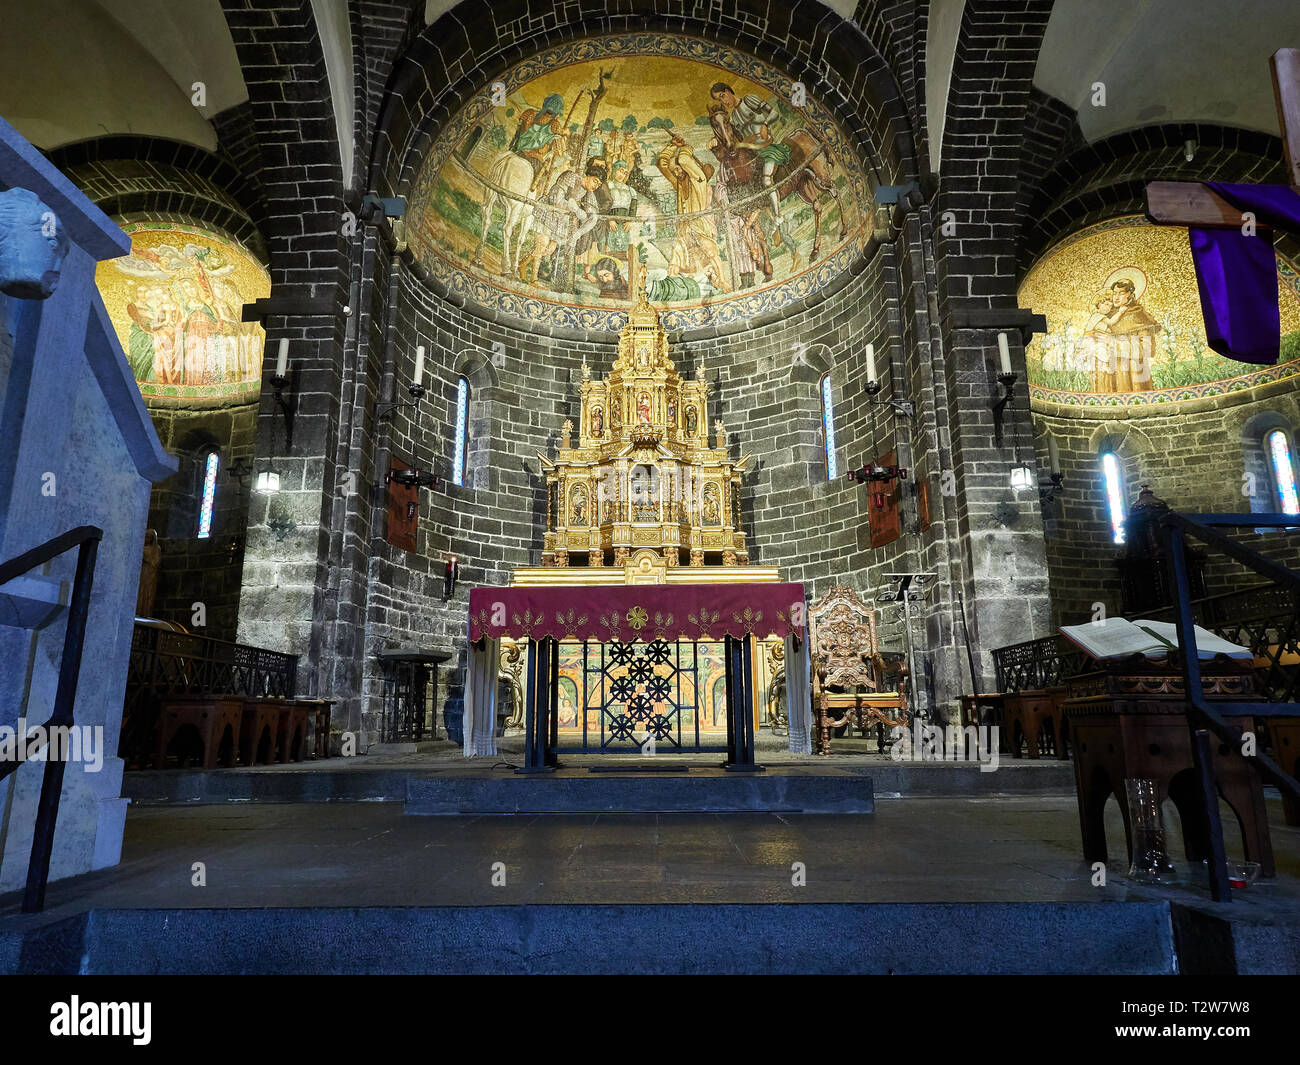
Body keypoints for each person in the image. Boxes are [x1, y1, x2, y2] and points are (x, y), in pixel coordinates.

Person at [655, 133, 729, 293]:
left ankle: (722, 280)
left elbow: (683, 160)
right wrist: (672, 145)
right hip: (683, 225)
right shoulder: (679, 184)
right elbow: (662, 164)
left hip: (699, 223)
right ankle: (673, 288)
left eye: (678, 170)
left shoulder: (699, 181)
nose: (676, 173)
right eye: (674, 171)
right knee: (676, 258)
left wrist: (685, 148)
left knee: (710, 251)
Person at [709, 83, 791, 224]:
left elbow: (774, 113)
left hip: (767, 148)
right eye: (719, 100)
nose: (723, 101)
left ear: (728, 91)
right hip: (754, 153)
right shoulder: (733, 115)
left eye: (722, 96)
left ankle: (778, 215)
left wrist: (765, 124)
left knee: (766, 180)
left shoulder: (748, 100)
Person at [510, 93, 568, 193]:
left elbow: (516, 135)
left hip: (518, 152)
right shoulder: (555, 125)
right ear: (558, 111)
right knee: (538, 187)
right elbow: (559, 152)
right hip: (535, 160)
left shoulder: (529, 113)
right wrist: (563, 136)